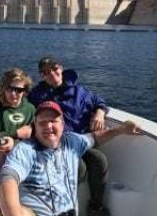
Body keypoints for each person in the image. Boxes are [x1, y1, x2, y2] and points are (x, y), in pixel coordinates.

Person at [0, 101, 141, 216]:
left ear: (63, 124)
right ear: (35, 126)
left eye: (53, 121)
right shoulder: (26, 149)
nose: (48, 126)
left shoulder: (72, 141)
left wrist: (121, 130)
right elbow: (7, 178)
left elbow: (95, 137)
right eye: (42, 122)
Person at [28, 57, 110, 216]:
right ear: (42, 76)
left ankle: (95, 206)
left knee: (100, 160)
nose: (51, 73)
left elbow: (99, 101)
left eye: (54, 68)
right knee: (79, 167)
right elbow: (22, 105)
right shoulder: (38, 94)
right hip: (53, 145)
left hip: (79, 142)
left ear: (61, 68)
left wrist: (100, 113)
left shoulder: (80, 92)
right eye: (45, 72)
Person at [0, 68, 35, 216]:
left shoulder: (30, 109)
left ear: (25, 91)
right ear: (4, 89)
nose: (14, 94)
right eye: (10, 89)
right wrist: (15, 134)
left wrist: (16, 142)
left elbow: (34, 136)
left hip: (19, 150)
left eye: (19, 90)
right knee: (2, 158)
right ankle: (0, 202)